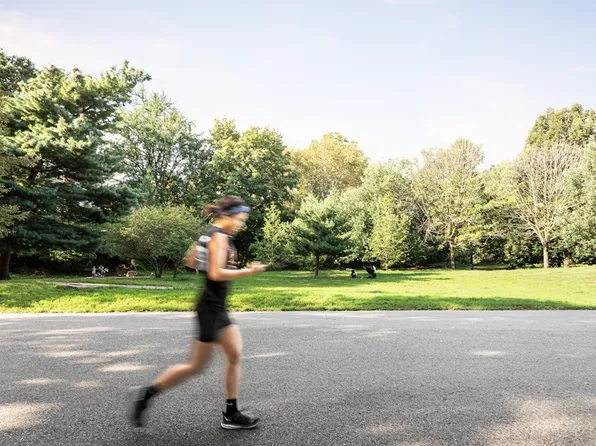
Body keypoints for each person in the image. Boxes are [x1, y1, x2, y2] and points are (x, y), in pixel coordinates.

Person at [129, 196, 268, 430]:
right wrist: (247, 271)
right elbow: (215, 274)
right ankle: (147, 394)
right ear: (227, 215)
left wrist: (208, 255)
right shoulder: (219, 236)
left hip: (215, 306)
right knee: (196, 366)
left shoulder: (209, 234)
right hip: (211, 309)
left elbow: (190, 262)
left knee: (234, 355)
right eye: (239, 219)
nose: (241, 224)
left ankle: (231, 412)